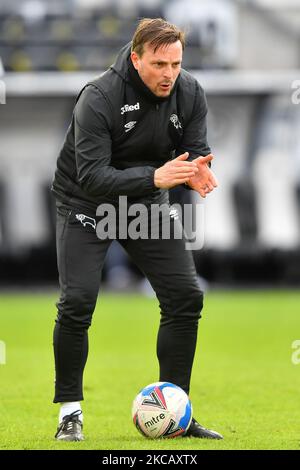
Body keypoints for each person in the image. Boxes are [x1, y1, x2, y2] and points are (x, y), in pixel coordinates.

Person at [51, 17, 222, 441]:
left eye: (176, 64)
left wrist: (197, 170)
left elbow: (195, 151)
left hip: (144, 203)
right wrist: (157, 178)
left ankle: (176, 411)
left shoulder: (190, 92)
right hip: (86, 204)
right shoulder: (98, 97)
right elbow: (91, 176)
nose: (169, 74)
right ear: (136, 57)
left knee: (186, 296)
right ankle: (70, 412)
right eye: (159, 64)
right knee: (77, 302)